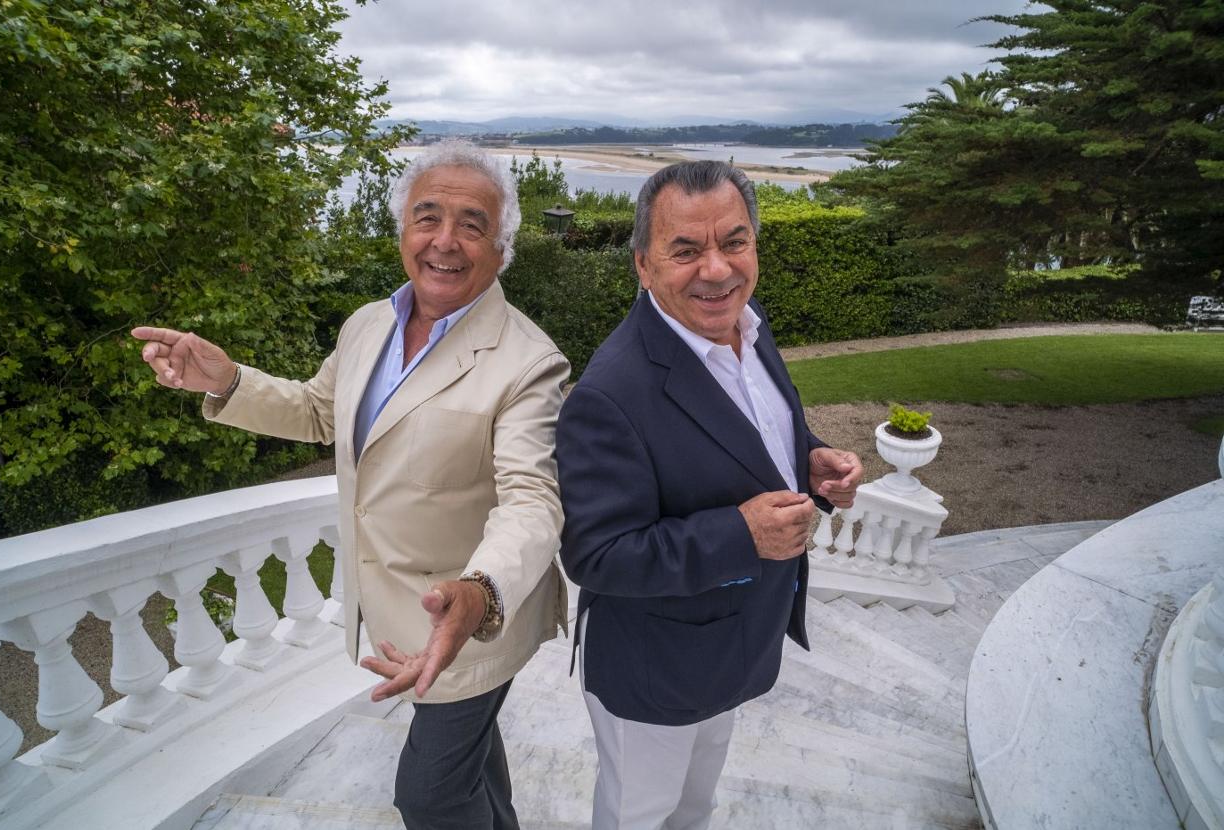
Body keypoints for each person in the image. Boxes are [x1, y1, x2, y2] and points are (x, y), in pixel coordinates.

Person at [132, 140, 569, 830]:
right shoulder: (369, 323)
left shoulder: (528, 360)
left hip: (469, 622)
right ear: (403, 231)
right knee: (469, 761)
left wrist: (480, 591)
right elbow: (318, 412)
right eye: (427, 218)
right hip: (399, 612)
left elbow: (532, 502)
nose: (445, 241)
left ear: (501, 248)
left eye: (472, 224)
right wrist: (229, 381)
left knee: (428, 794)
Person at [556, 160, 863, 829]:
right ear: (643, 265)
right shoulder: (610, 395)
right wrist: (741, 535)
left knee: (694, 808)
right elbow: (596, 555)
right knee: (638, 813)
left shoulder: (749, 325)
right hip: (656, 668)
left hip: (730, 647)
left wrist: (807, 458)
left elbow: (752, 429)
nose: (718, 270)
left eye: (734, 242)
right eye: (686, 250)